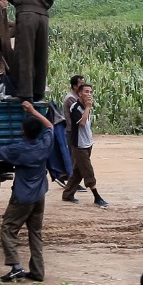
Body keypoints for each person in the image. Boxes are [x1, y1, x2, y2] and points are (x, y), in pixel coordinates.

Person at [0, 100, 55, 282]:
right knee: (35, 233)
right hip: (39, 195)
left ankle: (16, 266)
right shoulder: (44, 144)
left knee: (8, 229)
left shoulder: (19, 149)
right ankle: (38, 272)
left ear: (23, 131)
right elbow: (50, 125)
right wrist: (33, 111)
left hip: (23, 197)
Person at [0, 0, 54, 103]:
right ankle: (38, 92)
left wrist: (21, 5)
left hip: (25, 14)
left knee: (25, 53)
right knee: (40, 54)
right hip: (43, 16)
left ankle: (24, 93)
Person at [60, 75, 107, 207]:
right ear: (79, 93)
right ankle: (97, 197)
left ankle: (67, 194)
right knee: (87, 170)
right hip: (79, 144)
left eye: (91, 92)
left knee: (78, 171)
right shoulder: (75, 107)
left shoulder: (85, 106)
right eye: (86, 92)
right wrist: (87, 107)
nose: (89, 94)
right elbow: (81, 123)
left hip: (87, 143)